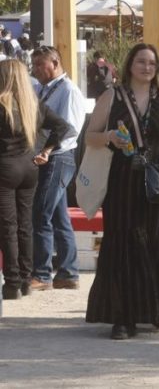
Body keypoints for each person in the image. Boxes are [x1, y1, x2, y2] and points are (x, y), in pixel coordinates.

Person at [83, 44, 159, 339]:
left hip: (156, 177)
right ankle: (123, 317)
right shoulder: (112, 96)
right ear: (130, 64)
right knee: (123, 241)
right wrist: (109, 136)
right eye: (141, 61)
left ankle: (153, 307)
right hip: (122, 177)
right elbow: (90, 137)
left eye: (152, 63)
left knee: (153, 241)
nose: (147, 67)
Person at [0, 60, 70, 300]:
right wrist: (46, 150)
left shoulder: (2, 105)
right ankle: (25, 279)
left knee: (7, 226)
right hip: (30, 167)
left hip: (5, 167)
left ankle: (11, 282)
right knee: (25, 224)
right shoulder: (33, 105)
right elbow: (63, 127)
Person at [28, 47, 87, 291]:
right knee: (58, 216)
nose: (35, 70)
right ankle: (68, 272)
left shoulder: (68, 91)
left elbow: (70, 129)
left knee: (41, 213)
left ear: (54, 63)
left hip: (58, 158)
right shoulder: (42, 89)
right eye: (33, 65)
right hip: (46, 157)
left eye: (39, 65)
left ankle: (42, 274)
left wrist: (47, 150)